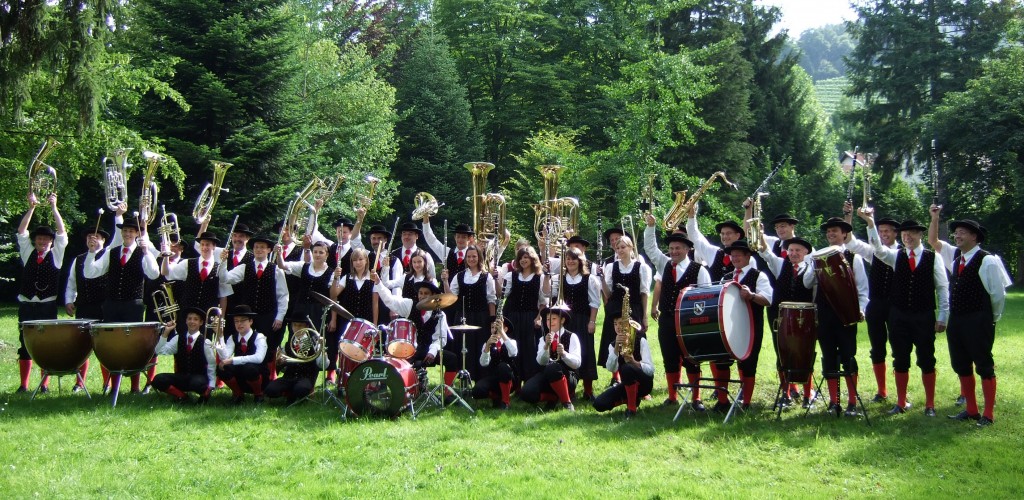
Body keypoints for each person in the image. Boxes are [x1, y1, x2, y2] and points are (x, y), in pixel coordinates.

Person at [858, 210, 949, 417]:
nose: (908, 237)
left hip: (923, 315)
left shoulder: (932, 257)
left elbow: (943, 288)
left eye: (912, 234)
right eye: (905, 234)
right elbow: (878, 249)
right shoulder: (895, 255)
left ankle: (930, 404)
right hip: (899, 316)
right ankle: (900, 402)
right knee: (900, 358)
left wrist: (943, 316)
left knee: (926, 359)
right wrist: (871, 222)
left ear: (920, 235)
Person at [928, 206, 1011, 427]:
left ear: (974, 236)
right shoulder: (956, 259)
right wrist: (934, 218)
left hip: (979, 319)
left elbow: (997, 294)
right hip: (958, 321)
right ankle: (972, 410)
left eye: (962, 232)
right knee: (961, 364)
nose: (957, 235)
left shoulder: (987, 260)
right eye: (956, 232)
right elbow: (933, 241)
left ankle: (989, 413)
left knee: (983, 364)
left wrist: (989, 318)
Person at [85, 213, 161, 393]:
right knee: (112, 346)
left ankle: (134, 387)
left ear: (136, 233)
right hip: (111, 305)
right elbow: (90, 273)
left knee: (132, 346)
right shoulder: (111, 253)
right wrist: (91, 253)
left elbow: (154, 273)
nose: (127, 234)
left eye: (131, 231)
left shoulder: (143, 252)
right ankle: (113, 387)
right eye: (125, 230)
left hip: (132, 305)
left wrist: (146, 252)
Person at [642, 213, 712, 409]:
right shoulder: (665, 264)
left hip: (690, 322)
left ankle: (696, 398)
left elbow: (706, 298)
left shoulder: (699, 270)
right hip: (667, 320)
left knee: (692, 359)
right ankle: (672, 396)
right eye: (671, 248)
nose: (673, 251)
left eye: (678, 248)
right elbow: (650, 249)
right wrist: (650, 227)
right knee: (669, 358)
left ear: (687, 249)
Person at [802, 217, 869, 417]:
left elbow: (863, 290)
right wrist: (814, 264)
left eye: (835, 231)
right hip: (825, 313)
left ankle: (851, 402)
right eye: (828, 232)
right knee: (828, 356)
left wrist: (862, 309)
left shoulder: (853, 257)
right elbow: (807, 283)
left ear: (844, 234)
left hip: (846, 313)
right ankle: (834, 402)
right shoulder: (817, 257)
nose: (831, 235)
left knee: (848, 356)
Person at [844, 206, 900, 403]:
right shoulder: (873, 252)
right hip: (876, 305)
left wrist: (871, 223)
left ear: (895, 233)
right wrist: (849, 217)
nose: (884, 234)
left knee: (898, 348)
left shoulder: (900, 253)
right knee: (877, 348)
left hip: (895, 306)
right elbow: (851, 242)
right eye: (881, 231)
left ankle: (901, 392)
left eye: (887, 231)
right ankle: (881, 390)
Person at [15, 193, 68, 393]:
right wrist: (31, 208)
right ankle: (23, 385)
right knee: (25, 344)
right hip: (27, 304)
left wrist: (54, 208)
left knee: (46, 345)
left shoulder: (56, 255)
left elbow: (62, 233)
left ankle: (44, 385)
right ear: (35, 240)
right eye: (39, 238)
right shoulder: (28, 252)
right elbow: (21, 232)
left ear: (51, 242)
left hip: (47, 306)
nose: (42, 241)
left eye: (46, 239)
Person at [756, 236, 818, 408]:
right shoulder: (780, 264)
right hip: (781, 317)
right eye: (791, 250)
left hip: (803, 319)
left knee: (805, 354)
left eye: (798, 250)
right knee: (781, 353)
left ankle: (808, 395)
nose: (793, 253)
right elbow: (765, 253)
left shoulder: (811, 268)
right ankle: (786, 393)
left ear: (806, 253)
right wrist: (760, 235)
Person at [221, 235, 289, 380]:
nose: (259, 250)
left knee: (267, 347)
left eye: (262, 247)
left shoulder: (276, 270)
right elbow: (226, 278)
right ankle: (243, 377)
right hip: (248, 317)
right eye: (257, 247)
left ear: (269, 250)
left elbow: (283, 296)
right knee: (245, 343)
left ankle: (266, 378)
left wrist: (279, 317)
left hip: (267, 315)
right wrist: (222, 262)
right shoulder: (244, 267)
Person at [372, 278, 460, 390]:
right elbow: (390, 300)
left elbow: (441, 338)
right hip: (409, 348)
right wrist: (379, 283)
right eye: (420, 293)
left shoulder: (440, 314)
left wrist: (432, 351)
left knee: (452, 358)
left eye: (426, 294)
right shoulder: (409, 305)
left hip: (428, 349)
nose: (422, 296)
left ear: (433, 296)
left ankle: (447, 392)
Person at [544, 246, 602, 400]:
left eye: (573, 259)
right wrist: (546, 275)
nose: (570, 262)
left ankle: (588, 391)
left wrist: (592, 321)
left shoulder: (590, 279)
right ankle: (569, 388)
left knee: (586, 352)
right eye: (568, 259)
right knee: (564, 352)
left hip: (582, 320)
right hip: (565, 321)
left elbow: (594, 303)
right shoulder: (559, 278)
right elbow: (546, 293)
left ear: (580, 261)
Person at [598, 235, 651, 382]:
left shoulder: (641, 267)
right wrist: (601, 279)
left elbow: (644, 293)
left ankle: (638, 373)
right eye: (618, 248)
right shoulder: (611, 267)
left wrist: (645, 316)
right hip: (615, 309)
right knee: (614, 340)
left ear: (630, 248)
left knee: (636, 340)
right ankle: (616, 378)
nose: (620, 250)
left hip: (634, 308)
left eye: (623, 247)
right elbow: (608, 293)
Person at [441, 245, 496, 380]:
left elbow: (491, 300)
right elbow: (451, 298)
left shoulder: (486, 277)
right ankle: (464, 378)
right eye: (469, 256)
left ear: (479, 258)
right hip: (462, 317)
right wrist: (445, 281)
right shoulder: (459, 276)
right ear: (466, 258)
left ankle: (480, 378)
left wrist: (492, 320)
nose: (471, 259)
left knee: (479, 346)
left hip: (481, 317)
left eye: (474, 256)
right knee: (463, 348)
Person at [64, 225, 108, 391]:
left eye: (96, 236)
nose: (92, 238)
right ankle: (79, 382)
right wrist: (69, 301)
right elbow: (71, 283)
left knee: (104, 347)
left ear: (103, 240)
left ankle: (107, 382)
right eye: (90, 236)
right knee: (82, 346)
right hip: (83, 307)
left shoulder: (108, 256)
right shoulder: (79, 259)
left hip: (103, 308)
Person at [519, 305, 581, 411]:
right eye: (548, 319)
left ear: (562, 320)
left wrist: (565, 354)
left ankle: (567, 402)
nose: (550, 322)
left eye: (554, 319)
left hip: (567, 376)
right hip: (547, 375)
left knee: (553, 368)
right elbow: (540, 362)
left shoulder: (572, 336)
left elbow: (577, 363)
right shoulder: (543, 339)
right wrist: (546, 346)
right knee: (526, 393)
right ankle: (554, 398)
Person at [593, 313, 655, 418]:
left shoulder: (641, 341)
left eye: (621, 323)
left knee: (627, 368)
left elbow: (650, 370)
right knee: (599, 403)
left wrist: (635, 362)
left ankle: (631, 409)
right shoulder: (612, 345)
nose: (617, 327)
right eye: (615, 324)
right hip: (627, 383)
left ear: (629, 324)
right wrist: (616, 347)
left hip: (644, 383)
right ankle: (633, 398)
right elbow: (611, 368)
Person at [150, 308, 216, 403]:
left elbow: (211, 364)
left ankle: (204, 395)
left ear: (201, 322)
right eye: (189, 319)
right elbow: (159, 350)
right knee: (158, 380)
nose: (192, 321)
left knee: (197, 383)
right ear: (186, 321)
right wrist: (166, 332)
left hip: (198, 378)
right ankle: (182, 396)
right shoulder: (178, 338)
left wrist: (211, 385)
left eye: (195, 319)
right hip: (182, 377)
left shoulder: (205, 341)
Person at [500, 246, 546, 382]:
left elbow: (543, 302)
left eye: (526, 257)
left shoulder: (540, 277)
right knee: (514, 348)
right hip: (513, 317)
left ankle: (529, 380)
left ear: (532, 259)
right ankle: (514, 382)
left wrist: (539, 318)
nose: (523, 260)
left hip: (530, 318)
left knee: (529, 349)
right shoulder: (511, 276)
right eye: (520, 257)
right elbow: (502, 295)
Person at [329, 247, 378, 370]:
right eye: (355, 260)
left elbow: (375, 303)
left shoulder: (372, 279)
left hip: (366, 320)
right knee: (346, 349)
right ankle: (344, 375)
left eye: (360, 259)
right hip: (347, 320)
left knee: (364, 350)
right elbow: (333, 295)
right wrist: (335, 277)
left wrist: (375, 325)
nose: (358, 262)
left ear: (366, 260)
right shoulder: (347, 278)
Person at [264, 318, 328, 406]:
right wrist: (281, 362)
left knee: (300, 389)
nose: (297, 328)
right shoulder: (288, 344)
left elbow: (323, 365)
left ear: (307, 326)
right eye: (294, 325)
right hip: (289, 377)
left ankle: (297, 393)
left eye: (300, 325)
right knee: (270, 390)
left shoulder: (314, 342)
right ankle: (291, 393)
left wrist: (322, 351)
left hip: (306, 377)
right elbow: (282, 367)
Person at [215, 305, 269, 404]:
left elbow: (259, 358)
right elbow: (225, 357)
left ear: (251, 321)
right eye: (236, 321)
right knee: (221, 368)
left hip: (258, 375)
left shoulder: (259, 337)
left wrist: (233, 360)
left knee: (249, 368)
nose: (239, 324)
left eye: (243, 320)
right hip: (240, 374)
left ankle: (258, 395)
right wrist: (220, 335)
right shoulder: (233, 337)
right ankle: (238, 394)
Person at [472, 316, 518, 409]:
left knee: (503, 367)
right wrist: (487, 346)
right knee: (477, 391)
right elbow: (483, 363)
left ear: (505, 329)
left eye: (497, 327)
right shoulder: (486, 344)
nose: (494, 329)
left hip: (509, 378)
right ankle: (497, 397)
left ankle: (505, 402)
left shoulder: (511, 341)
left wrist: (502, 333)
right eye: (492, 327)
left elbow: (513, 352)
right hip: (494, 378)